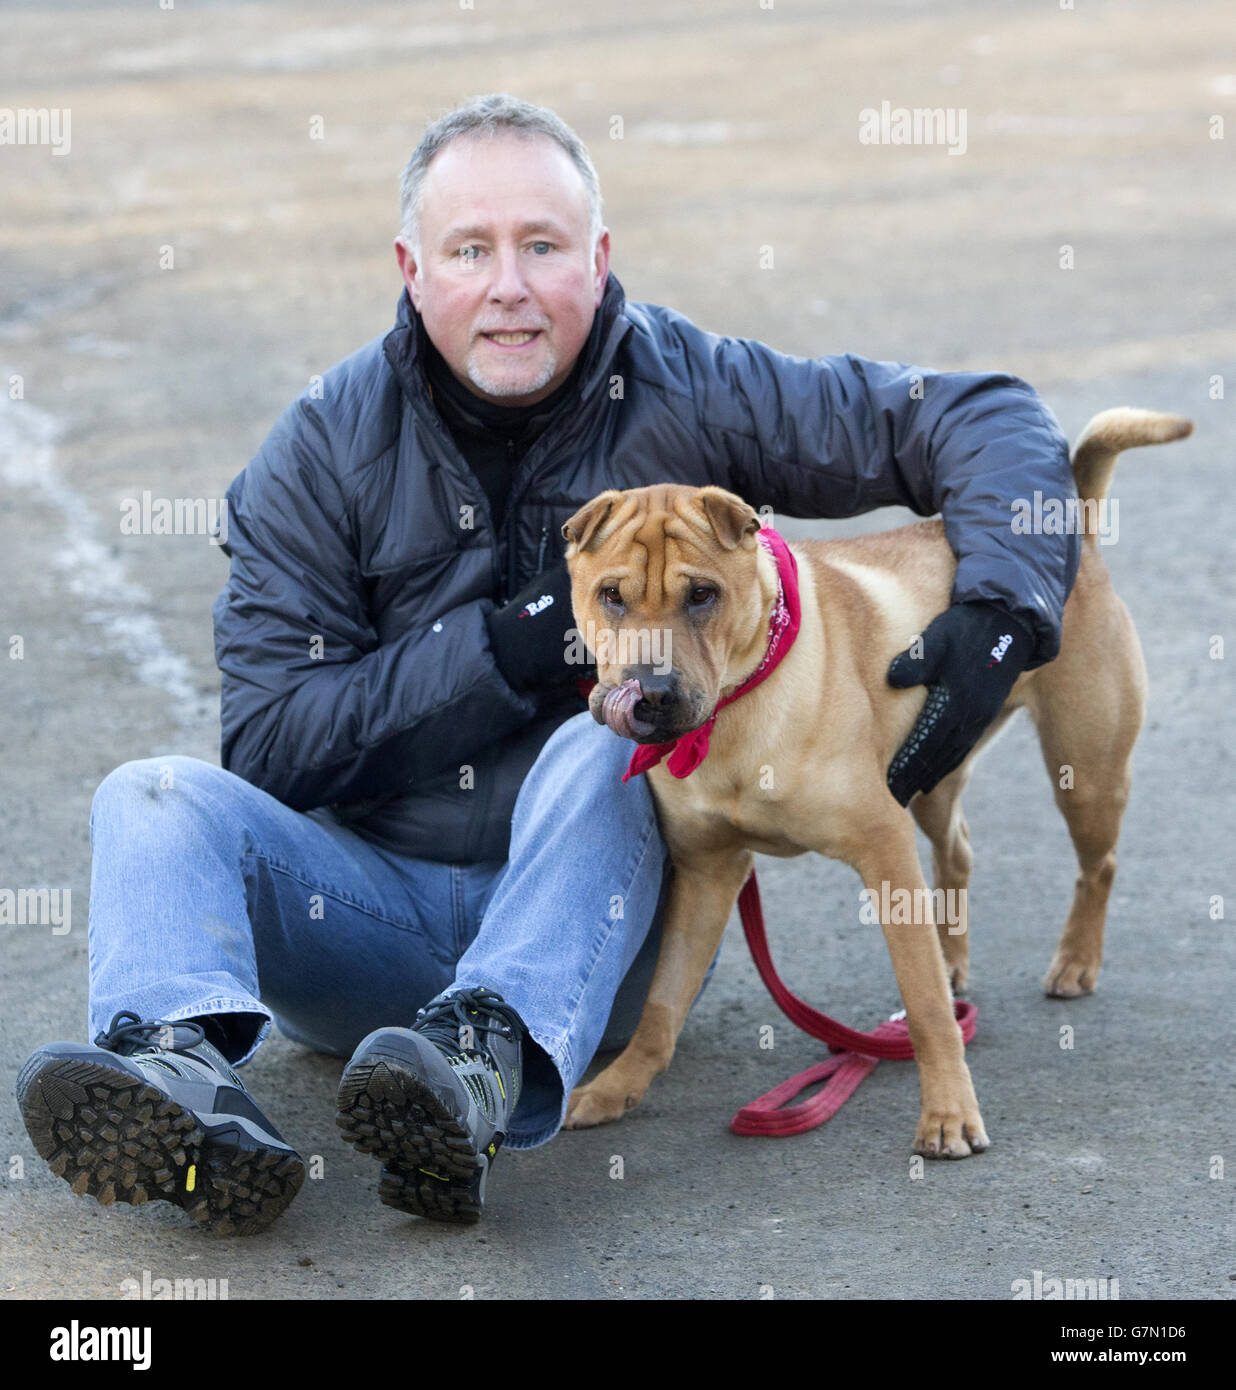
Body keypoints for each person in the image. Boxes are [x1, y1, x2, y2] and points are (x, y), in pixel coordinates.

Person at [16, 93, 1079, 1230]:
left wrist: (1009, 603)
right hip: (363, 922)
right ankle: (180, 1076)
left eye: (542, 246)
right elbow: (273, 745)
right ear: (413, 268)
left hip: (588, 946)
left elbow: (976, 414)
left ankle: (479, 1062)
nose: (509, 284)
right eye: (470, 249)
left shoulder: (695, 386)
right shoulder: (319, 451)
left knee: (593, 740)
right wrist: (509, 648)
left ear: (599, 258)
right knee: (153, 794)